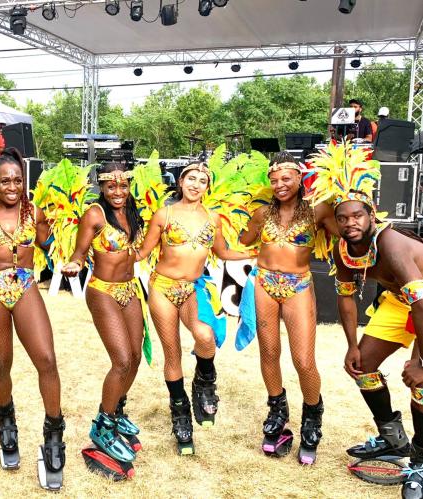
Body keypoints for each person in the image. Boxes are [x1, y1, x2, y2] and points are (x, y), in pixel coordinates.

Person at [304, 141, 423, 497]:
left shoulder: (392, 244)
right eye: (342, 218)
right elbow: (346, 300)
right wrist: (352, 346)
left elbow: (422, 307)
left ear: (372, 215)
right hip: (400, 301)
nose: (349, 223)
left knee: (420, 383)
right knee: (363, 367)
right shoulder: (344, 247)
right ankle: (393, 439)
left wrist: (418, 360)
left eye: (357, 216)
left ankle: (420, 458)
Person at [0, 147, 66, 489]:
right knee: (2, 364)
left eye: (18, 180)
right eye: (5, 180)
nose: (12, 186)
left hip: (25, 285)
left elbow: (48, 242)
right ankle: (6, 421)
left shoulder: (33, 211)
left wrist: (62, 219)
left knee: (47, 360)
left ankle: (53, 435)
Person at [134, 162, 252, 455]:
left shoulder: (213, 218)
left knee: (205, 335)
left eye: (202, 180)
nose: (196, 184)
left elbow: (222, 252)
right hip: (162, 287)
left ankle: (204, 383)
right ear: (181, 181)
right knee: (172, 352)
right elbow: (143, 252)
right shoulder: (165, 213)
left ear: (207, 187)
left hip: (192, 288)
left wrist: (256, 252)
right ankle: (180, 414)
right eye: (191, 178)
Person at [239, 151, 337, 465]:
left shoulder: (318, 212)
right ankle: (277, 414)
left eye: (286, 178)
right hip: (264, 284)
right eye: (275, 179)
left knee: (304, 360)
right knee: (269, 352)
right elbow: (240, 241)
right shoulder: (261, 214)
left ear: (299, 178)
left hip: (298, 286)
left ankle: (312, 418)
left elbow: (347, 233)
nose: (280, 184)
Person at [62, 162, 150, 467]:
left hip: (131, 290)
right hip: (103, 291)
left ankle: (116, 409)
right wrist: (75, 264)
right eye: (111, 186)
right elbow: (79, 251)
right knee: (122, 360)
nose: (118, 192)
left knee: (136, 358)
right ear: (102, 186)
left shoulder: (133, 211)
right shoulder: (95, 214)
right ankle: (103, 427)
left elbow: (137, 252)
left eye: (123, 186)